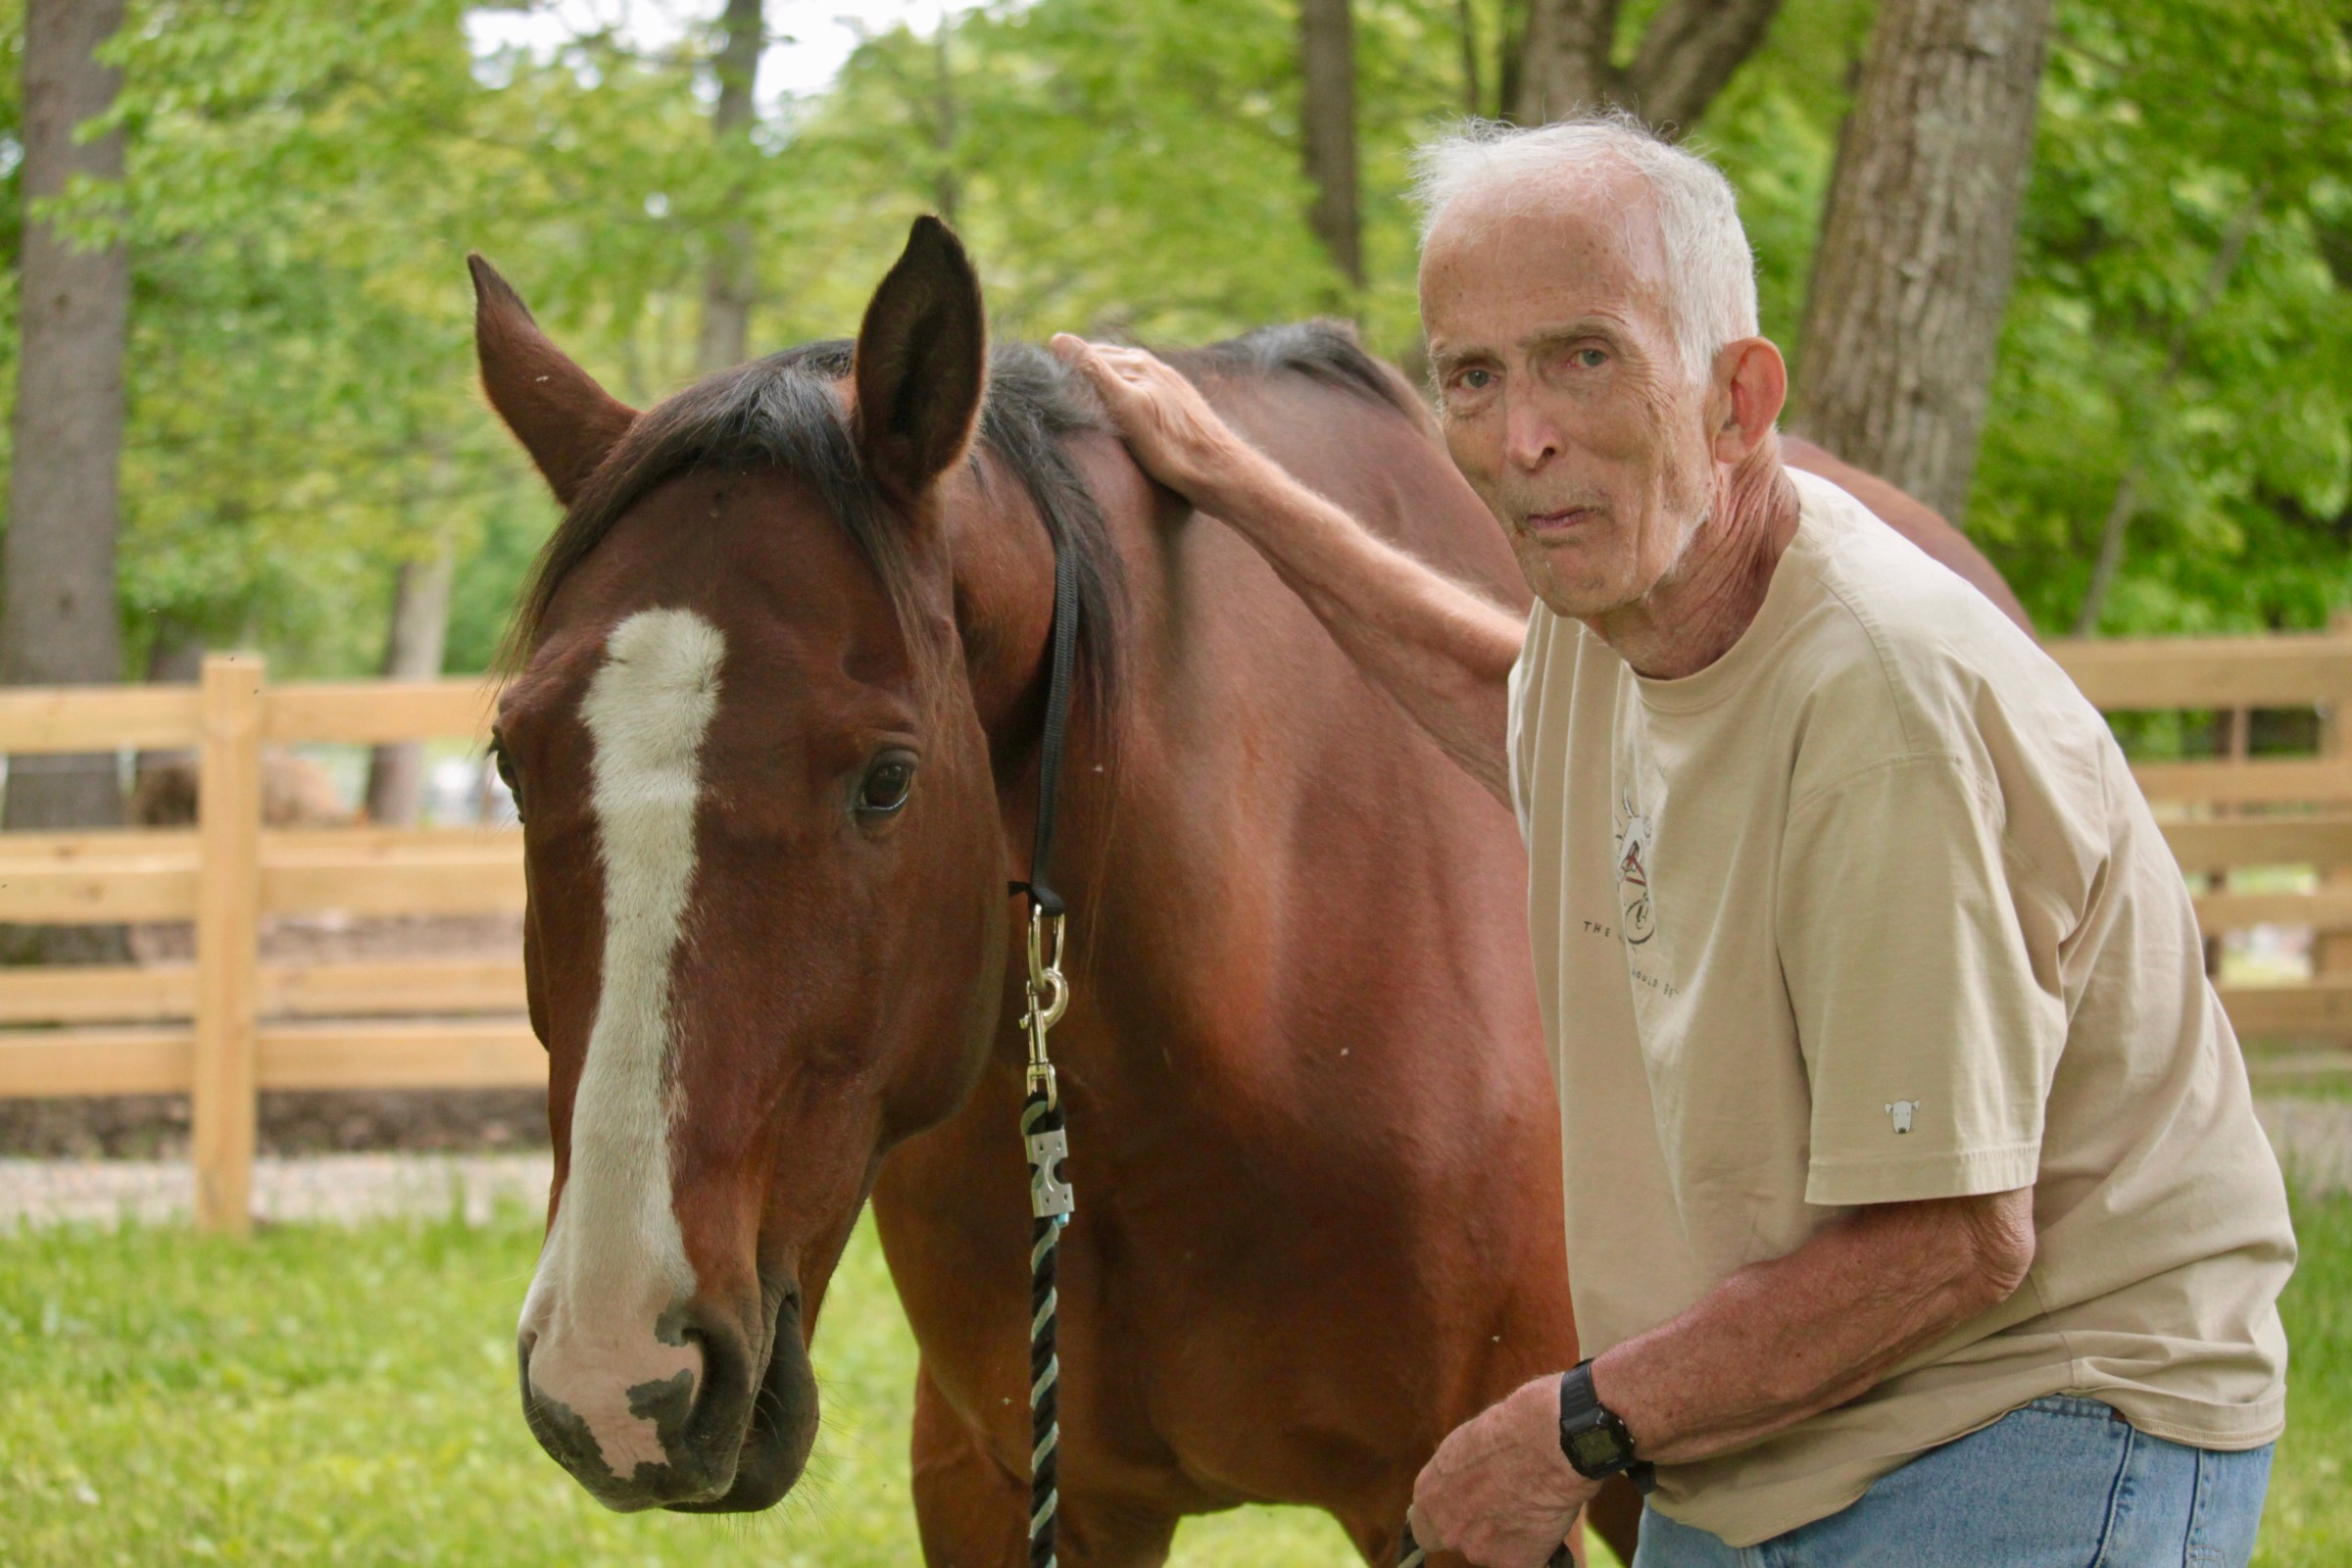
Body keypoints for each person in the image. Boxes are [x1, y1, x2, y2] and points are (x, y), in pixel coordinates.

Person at [1051, 115, 2293, 1568]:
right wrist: (1235, 479)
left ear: (1738, 397)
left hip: (2041, 1411)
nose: (1523, 439)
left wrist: (1564, 1430)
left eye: (1585, 357)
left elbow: (1950, 1242)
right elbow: (1494, 694)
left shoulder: (1884, 708)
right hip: (1770, 1421)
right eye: (1473, 377)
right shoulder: (1619, 613)